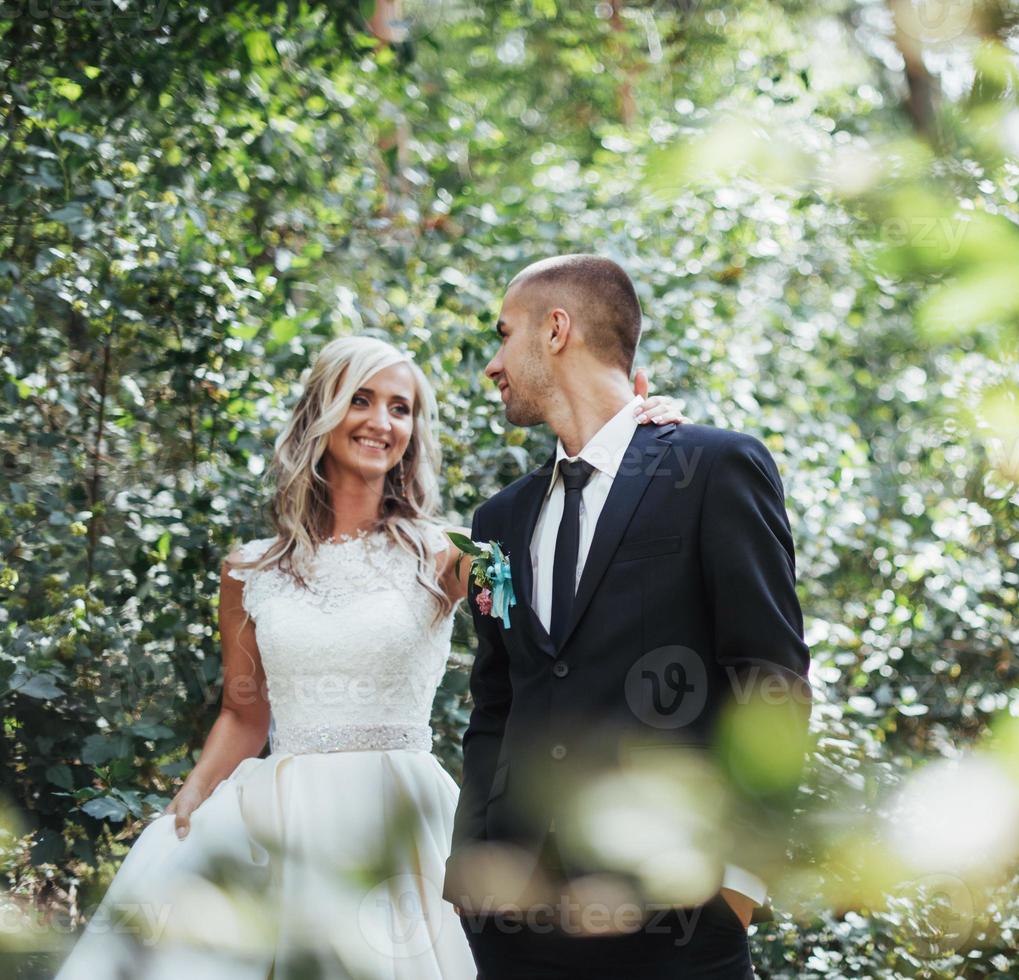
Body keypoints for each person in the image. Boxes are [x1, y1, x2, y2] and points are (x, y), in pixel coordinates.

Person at [54, 334, 687, 979]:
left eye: (401, 408)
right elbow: (244, 716)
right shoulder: (249, 570)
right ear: (321, 413)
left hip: (400, 821)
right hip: (274, 824)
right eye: (361, 400)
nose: (382, 422)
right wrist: (187, 800)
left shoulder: (447, 555)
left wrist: (635, 437)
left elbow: (561, 631)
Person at [445, 254, 812, 979]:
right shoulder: (500, 519)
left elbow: (769, 679)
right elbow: (496, 703)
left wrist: (739, 879)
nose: (492, 364)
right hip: (517, 928)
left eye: (502, 333)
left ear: (556, 330)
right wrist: (474, 866)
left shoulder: (713, 468)